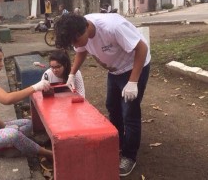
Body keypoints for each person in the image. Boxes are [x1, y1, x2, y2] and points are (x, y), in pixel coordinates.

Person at [54, 13, 151, 177]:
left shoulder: (113, 27)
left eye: (75, 41)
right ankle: (118, 143)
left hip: (134, 67)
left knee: (130, 112)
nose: (75, 45)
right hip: (115, 71)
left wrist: (133, 82)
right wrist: (71, 74)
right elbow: (81, 51)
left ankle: (129, 156)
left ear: (85, 28)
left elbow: (142, 48)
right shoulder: (77, 30)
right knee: (112, 106)